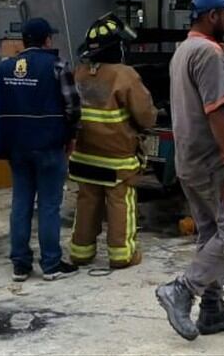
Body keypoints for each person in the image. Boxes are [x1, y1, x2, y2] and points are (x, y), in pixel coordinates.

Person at [156, 0, 224, 341]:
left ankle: (212, 310)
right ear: (213, 16)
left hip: (190, 159)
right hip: (214, 163)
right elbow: (217, 112)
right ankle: (181, 290)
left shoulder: (184, 51)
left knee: (211, 234)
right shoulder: (209, 53)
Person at [0, 18, 81, 282]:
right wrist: (71, 135)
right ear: (47, 40)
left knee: (21, 203)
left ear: (23, 41)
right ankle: (51, 264)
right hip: (50, 146)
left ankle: (20, 264)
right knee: (49, 206)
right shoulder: (58, 67)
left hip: (17, 147)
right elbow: (73, 107)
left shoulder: (4, 68)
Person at [68, 15, 157, 269]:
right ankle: (122, 255)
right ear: (116, 47)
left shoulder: (80, 73)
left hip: (84, 156)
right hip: (117, 158)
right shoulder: (124, 75)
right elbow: (146, 115)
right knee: (120, 204)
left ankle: (81, 252)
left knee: (86, 202)